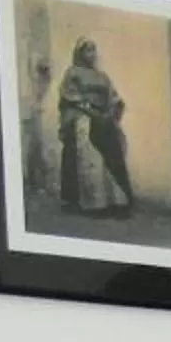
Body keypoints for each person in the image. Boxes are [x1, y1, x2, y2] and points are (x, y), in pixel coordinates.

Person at [57, 37, 135, 215]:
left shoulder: (102, 76)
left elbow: (113, 96)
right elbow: (70, 96)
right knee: (87, 146)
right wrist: (90, 110)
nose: (91, 54)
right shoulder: (73, 73)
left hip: (102, 117)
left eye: (93, 50)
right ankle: (93, 204)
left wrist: (113, 109)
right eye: (87, 50)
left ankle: (118, 201)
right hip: (83, 115)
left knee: (113, 145)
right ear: (80, 53)